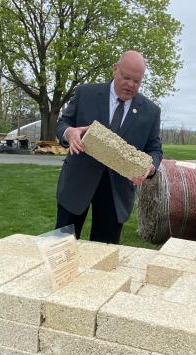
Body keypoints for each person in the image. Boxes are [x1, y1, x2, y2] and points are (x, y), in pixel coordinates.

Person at [55, 50, 162, 244]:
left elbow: (154, 148)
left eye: (136, 81)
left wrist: (150, 166)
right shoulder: (85, 93)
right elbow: (63, 123)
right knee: (61, 250)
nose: (130, 85)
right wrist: (69, 133)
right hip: (76, 184)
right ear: (115, 69)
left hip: (116, 194)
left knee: (105, 257)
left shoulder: (151, 112)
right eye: (126, 77)